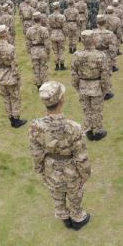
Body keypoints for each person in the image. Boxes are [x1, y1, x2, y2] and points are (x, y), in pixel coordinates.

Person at [29, 81, 91, 230]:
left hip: (50, 167)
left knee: (57, 193)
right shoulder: (73, 127)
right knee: (74, 194)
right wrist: (85, 173)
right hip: (71, 169)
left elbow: (36, 152)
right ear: (61, 99)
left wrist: (40, 169)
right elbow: (81, 156)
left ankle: (63, 216)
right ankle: (77, 217)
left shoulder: (35, 126)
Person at [71, 30, 109, 141]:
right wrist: (105, 88)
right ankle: (97, 131)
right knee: (96, 110)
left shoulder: (77, 55)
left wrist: (77, 87)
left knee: (87, 109)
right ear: (93, 40)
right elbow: (104, 75)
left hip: (83, 86)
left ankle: (88, 130)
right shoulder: (100, 55)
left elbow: (74, 74)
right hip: (96, 86)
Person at [0, 25, 27, 128]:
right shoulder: (11, 48)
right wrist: (17, 77)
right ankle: (16, 120)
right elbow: (14, 65)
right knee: (15, 98)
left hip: (1, 76)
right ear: (5, 34)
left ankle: (11, 118)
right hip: (11, 76)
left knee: (6, 98)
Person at [25, 12, 50, 89]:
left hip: (34, 50)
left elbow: (28, 42)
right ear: (40, 19)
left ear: (33, 19)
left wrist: (29, 51)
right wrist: (48, 52)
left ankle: (38, 84)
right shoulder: (44, 29)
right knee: (43, 67)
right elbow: (47, 43)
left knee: (36, 68)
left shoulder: (29, 30)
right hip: (42, 50)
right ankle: (44, 84)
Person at [48, 2, 66, 71]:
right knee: (61, 50)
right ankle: (62, 66)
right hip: (61, 34)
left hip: (53, 34)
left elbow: (49, 27)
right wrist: (65, 34)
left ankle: (56, 66)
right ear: (59, 7)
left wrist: (50, 34)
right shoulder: (62, 16)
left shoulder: (50, 16)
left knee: (55, 51)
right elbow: (64, 27)